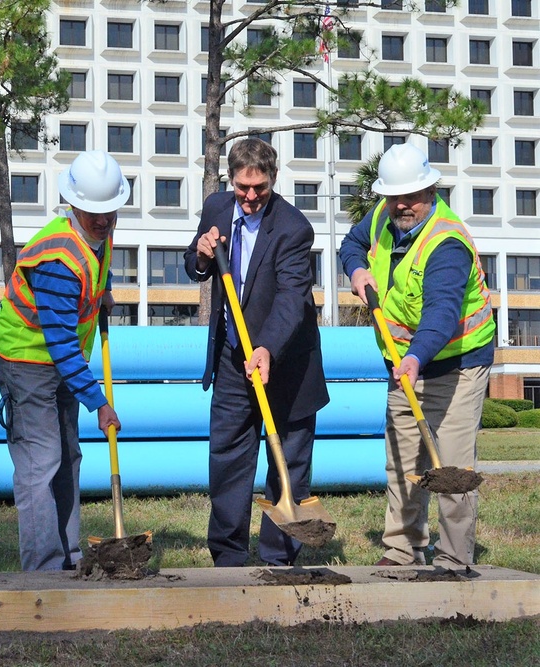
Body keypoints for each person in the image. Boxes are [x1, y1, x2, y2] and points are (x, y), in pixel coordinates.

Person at [339, 143, 494, 568]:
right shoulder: (382, 217)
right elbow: (350, 244)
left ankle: (454, 556)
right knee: (403, 458)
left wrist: (416, 358)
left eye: (412, 196)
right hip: (403, 359)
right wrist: (356, 269)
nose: (402, 205)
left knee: (452, 465)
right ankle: (403, 547)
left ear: (430, 190)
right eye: (394, 197)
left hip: (458, 362)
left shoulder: (447, 242)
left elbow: (442, 314)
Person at [183, 138, 329, 567]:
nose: (249, 197)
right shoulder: (216, 208)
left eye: (259, 188)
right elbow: (193, 265)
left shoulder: (293, 228)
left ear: (274, 179)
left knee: (289, 462)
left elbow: (291, 297)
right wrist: (203, 256)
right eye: (242, 187)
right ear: (231, 180)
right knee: (227, 456)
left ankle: (278, 558)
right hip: (232, 360)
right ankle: (228, 557)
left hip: (287, 365)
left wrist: (266, 346)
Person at [0, 150, 125, 571]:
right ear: (74, 206)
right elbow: (61, 343)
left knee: (68, 456)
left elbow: (86, 291)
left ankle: (71, 556)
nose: (103, 221)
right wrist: (99, 402)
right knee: (41, 460)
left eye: (109, 212)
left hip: (62, 359)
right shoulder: (58, 260)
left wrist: (100, 295)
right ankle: (44, 571)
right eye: (93, 213)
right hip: (26, 358)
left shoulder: (98, 237)